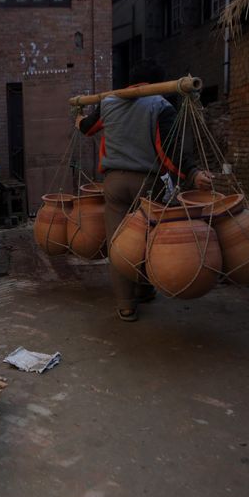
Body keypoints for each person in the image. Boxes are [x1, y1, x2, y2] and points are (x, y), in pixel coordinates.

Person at [75, 59, 213, 322]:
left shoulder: (109, 102)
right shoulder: (161, 106)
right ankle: (145, 289)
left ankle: (126, 304)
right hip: (148, 186)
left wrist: (79, 119)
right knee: (148, 240)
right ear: (158, 82)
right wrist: (192, 174)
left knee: (119, 243)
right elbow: (169, 151)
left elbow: (88, 128)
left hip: (114, 184)